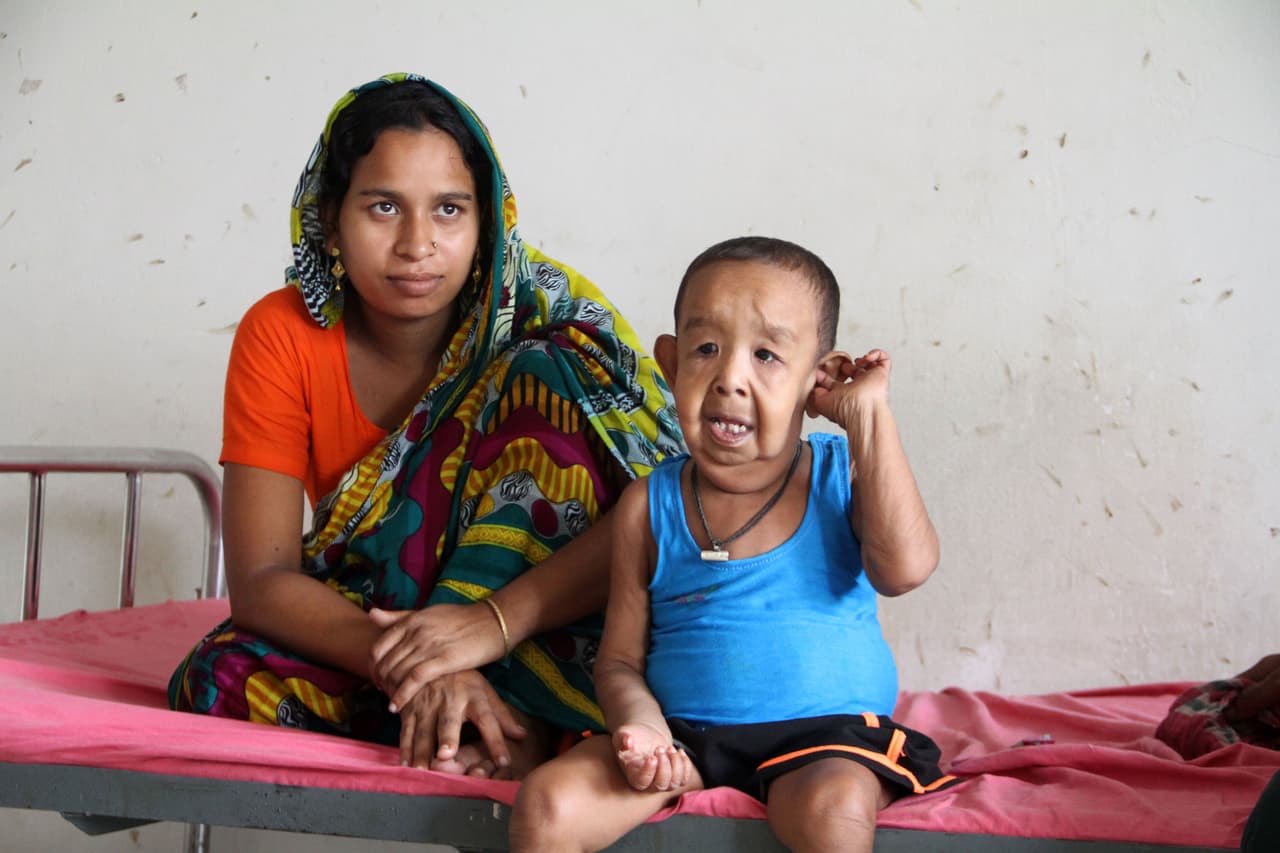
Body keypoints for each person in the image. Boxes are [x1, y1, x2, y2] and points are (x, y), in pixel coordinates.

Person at [168, 74, 683, 778]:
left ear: (487, 221)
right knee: (216, 677)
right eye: (383, 207)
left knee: (542, 369)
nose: (418, 243)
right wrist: (427, 659)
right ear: (330, 217)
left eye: (448, 209)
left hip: (543, 622)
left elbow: (655, 516)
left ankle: (511, 714)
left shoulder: (550, 320)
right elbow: (261, 580)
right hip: (380, 627)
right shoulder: (283, 332)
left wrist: (485, 626)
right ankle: (475, 717)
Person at [509, 236, 957, 852]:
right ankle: (679, 768)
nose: (730, 379)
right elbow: (618, 661)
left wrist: (869, 417)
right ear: (669, 363)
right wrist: (642, 727)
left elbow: (905, 569)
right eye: (707, 349)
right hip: (688, 739)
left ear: (818, 378)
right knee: (545, 806)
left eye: (768, 355)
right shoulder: (650, 505)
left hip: (824, 742)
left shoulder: (839, 475)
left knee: (833, 810)